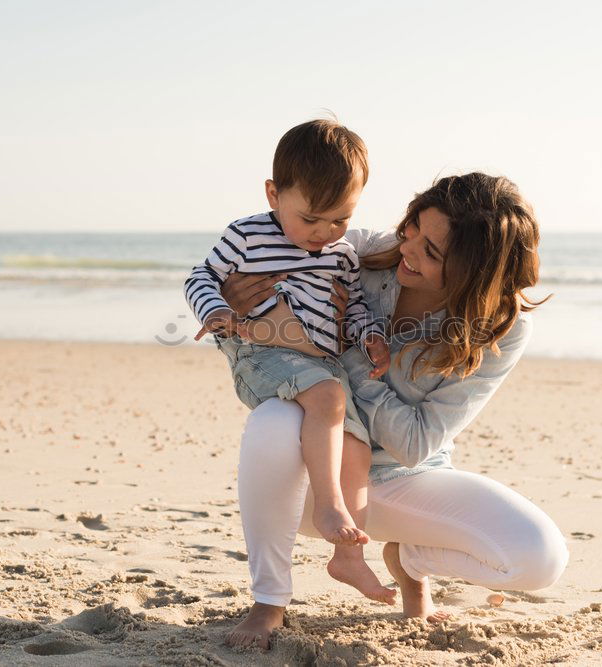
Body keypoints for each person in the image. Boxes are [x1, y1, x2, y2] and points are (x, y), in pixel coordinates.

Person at [222, 172, 570, 650]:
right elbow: (258, 324)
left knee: (539, 559)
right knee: (273, 420)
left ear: (473, 272)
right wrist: (234, 306)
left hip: (409, 481)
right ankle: (270, 600)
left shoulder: (501, 328)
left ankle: (410, 561)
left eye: (432, 251)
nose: (407, 249)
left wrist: (349, 350)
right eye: (412, 229)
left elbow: (415, 443)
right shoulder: (350, 255)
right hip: (316, 489)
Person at [184, 119, 397, 605]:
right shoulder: (245, 235)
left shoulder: (341, 254)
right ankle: (328, 507)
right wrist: (215, 309)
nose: (324, 233)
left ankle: (348, 558)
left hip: (322, 362)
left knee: (357, 447)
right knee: (328, 397)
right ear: (274, 194)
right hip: (262, 352)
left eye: (340, 219)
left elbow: (357, 305)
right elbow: (201, 275)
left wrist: (371, 335)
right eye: (311, 219)